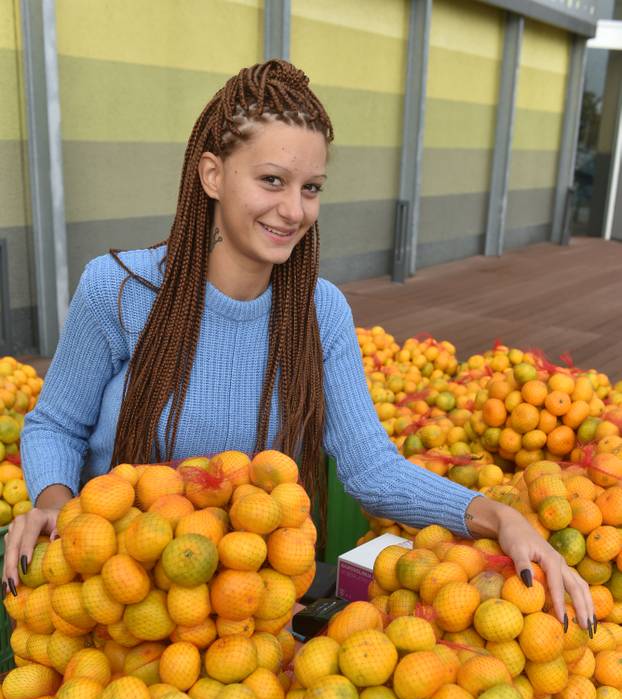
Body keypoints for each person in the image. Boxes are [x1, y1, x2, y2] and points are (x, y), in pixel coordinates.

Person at [3, 60, 595, 633]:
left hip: (241, 619)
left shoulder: (319, 312)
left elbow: (373, 468)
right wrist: (58, 503)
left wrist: (498, 516)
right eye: (272, 180)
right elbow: (55, 424)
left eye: (310, 188)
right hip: (115, 600)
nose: (293, 210)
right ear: (212, 174)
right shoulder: (121, 291)